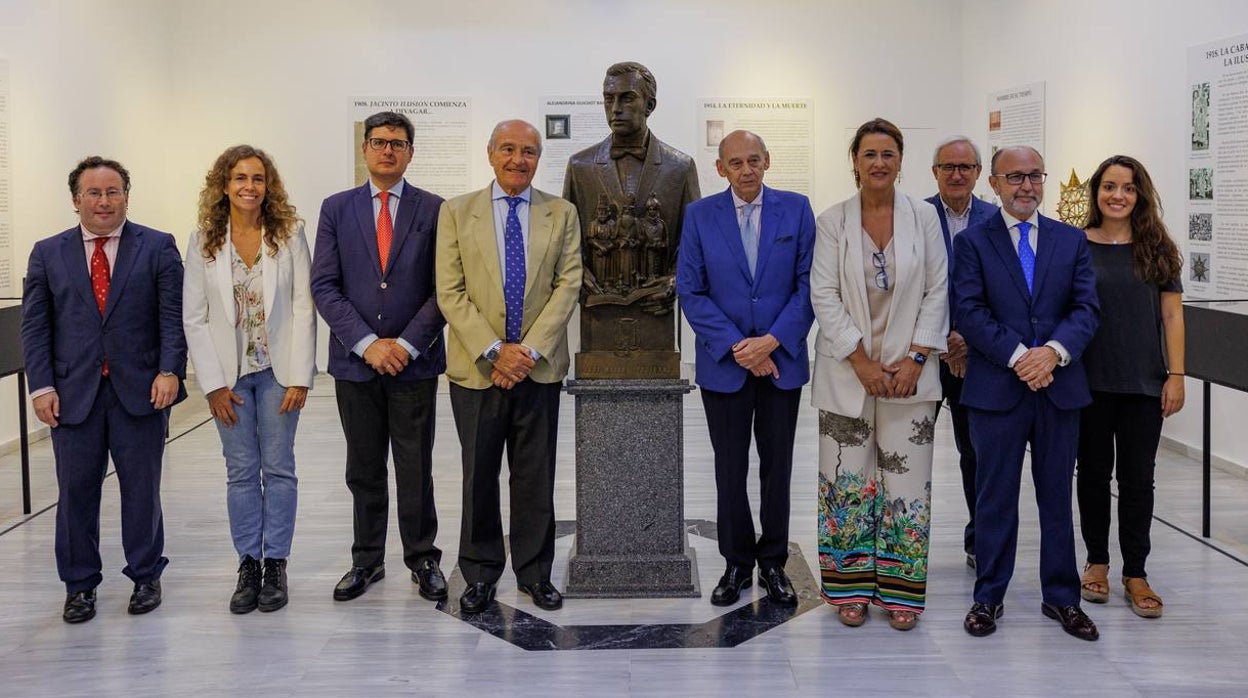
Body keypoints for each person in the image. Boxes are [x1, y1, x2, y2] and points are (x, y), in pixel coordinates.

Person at [21, 156, 187, 623]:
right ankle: (79, 586)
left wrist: (171, 370)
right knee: (75, 494)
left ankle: (146, 575)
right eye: (93, 193)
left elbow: (172, 317)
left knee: (142, 491)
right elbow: (36, 328)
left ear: (126, 197)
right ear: (76, 200)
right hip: (73, 396)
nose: (104, 201)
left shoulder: (156, 246)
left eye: (113, 191)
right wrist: (42, 387)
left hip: (141, 391)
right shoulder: (47, 253)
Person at [953, 145, 1101, 641]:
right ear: (992, 183)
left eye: (1035, 176)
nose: (1026, 186)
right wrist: (1021, 356)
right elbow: (970, 311)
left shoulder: (1069, 239)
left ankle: (1062, 598)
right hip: (998, 388)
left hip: (1059, 389)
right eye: (1014, 177)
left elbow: (1086, 309)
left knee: (1057, 497)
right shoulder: (974, 242)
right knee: (995, 497)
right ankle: (988, 596)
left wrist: (1053, 352)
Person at [435, 119, 582, 614]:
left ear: (539, 159)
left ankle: (535, 573)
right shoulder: (457, 212)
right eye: (508, 149)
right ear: (490, 153)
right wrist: (497, 351)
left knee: (535, 476)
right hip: (478, 371)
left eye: (529, 152)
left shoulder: (561, 213)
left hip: (538, 369)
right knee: (478, 475)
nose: (518, 159)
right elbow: (450, 293)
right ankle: (478, 574)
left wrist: (529, 351)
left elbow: (568, 285)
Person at [810, 119, 947, 630]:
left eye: (888, 153)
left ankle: (902, 594)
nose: (879, 163)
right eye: (870, 154)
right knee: (846, 484)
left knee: (907, 487)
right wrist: (862, 362)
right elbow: (823, 295)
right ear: (855, 161)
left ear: (900, 160)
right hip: (848, 375)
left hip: (910, 376)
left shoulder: (924, 219)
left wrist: (915, 359)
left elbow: (939, 290)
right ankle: (849, 590)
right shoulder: (833, 222)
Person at [311, 111, 448, 603]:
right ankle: (366, 560)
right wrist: (369, 344)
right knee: (363, 468)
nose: (387, 150)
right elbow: (324, 285)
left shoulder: (434, 209)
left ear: (410, 152)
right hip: (356, 365)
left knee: (416, 466)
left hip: (415, 362)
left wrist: (406, 345)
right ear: (364, 150)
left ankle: (423, 558)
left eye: (397, 143)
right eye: (378, 141)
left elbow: (443, 289)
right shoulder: (336, 208)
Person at [677, 130, 815, 607]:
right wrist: (740, 346)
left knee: (778, 467)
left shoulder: (796, 210)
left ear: (768, 161)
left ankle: (773, 562)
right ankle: (737, 563)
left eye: (754, 160)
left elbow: (809, 286)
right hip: (727, 365)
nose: (746, 170)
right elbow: (690, 291)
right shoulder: (699, 216)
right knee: (730, 468)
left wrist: (772, 341)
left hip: (781, 363)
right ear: (721, 169)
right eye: (736, 163)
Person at [182, 145, 317, 613]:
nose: (249, 186)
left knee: (278, 468)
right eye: (239, 178)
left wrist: (301, 375)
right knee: (240, 471)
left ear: (268, 185)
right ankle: (248, 563)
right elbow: (194, 317)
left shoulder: (289, 233)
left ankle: (276, 563)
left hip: (278, 373)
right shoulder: (203, 240)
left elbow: (304, 305)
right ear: (224, 184)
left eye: (257, 178)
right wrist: (213, 385)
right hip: (229, 379)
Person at [1076, 155, 1184, 619]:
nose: (1118, 195)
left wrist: (1176, 374)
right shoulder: (1075, 245)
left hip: (1143, 384)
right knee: (1094, 477)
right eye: (1109, 186)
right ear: (1096, 193)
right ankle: (1096, 563)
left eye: (1128, 187)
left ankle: (1135, 572)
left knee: (1139, 481)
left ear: (1140, 194)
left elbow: (1172, 316)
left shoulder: (1157, 247)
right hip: (1088, 383)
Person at [925, 136, 999, 570]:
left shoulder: (995, 217)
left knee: (977, 454)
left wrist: (968, 339)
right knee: (909, 450)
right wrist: (941, 339)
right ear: (935, 171)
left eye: (965, 167)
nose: (956, 174)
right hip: (925, 357)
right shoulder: (915, 216)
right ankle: (902, 543)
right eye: (948, 166)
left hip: (978, 358)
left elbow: (1003, 291)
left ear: (978, 173)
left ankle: (981, 539)